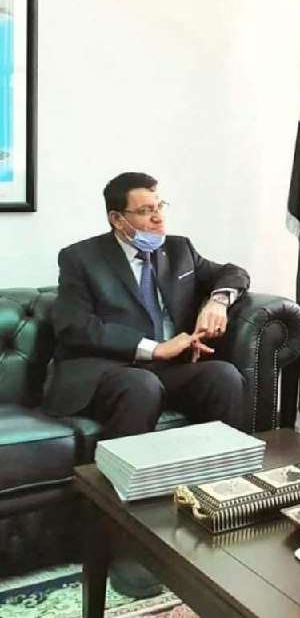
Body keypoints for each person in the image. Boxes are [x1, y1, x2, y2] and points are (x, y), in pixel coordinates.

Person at [44, 171, 250, 596]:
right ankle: (123, 546)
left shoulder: (179, 250)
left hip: (166, 368)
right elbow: (75, 327)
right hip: (105, 370)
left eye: (160, 207)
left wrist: (218, 299)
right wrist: (153, 349)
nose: (158, 219)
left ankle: (220, 512)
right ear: (118, 219)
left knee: (224, 377)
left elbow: (234, 272)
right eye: (145, 211)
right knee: (141, 386)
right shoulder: (80, 258)